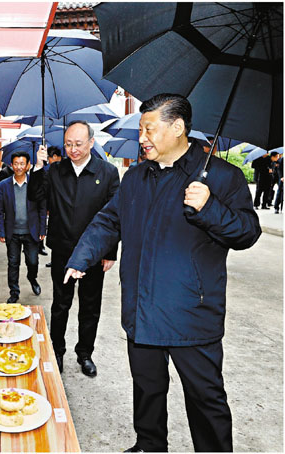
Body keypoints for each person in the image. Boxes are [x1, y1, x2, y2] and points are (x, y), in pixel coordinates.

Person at [64, 94, 261, 452]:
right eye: (140, 130)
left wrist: (210, 207)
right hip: (142, 307)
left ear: (178, 127)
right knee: (147, 388)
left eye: (149, 129)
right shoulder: (136, 177)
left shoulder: (221, 177)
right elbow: (109, 221)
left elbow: (247, 233)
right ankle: (149, 443)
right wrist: (82, 257)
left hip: (191, 313)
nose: (142, 138)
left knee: (205, 399)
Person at [28, 121, 120, 376]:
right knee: (60, 304)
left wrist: (110, 252)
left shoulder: (108, 172)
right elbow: (35, 196)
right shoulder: (55, 171)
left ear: (91, 142)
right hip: (63, 250)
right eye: (68, 144)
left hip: (94, 253)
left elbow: (115, 215)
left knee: (90, 307)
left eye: (78, 144)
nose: (73, 149)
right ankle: (57, 350)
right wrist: (38, 167)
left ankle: (85, 353)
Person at [0, 151, 46, 304]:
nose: (19, 167)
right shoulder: (4, 185)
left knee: (33, 262)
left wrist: (42, 229)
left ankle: (32, 278)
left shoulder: (34, 183)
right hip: (12, 232)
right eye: (16, 164)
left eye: (22, 164)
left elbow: (42, 208)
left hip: (31, 231)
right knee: (13, 263)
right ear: (11, 165)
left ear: (28, 165)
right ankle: (14, 292)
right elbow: (0, 210)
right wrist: (1, 231)